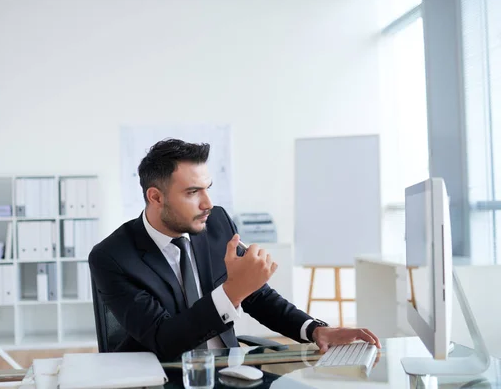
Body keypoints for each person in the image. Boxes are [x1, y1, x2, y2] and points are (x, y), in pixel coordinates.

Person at [89, 139, 381, 361]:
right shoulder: (112, 257)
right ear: (156, 197)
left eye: (208, 188)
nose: (208, 204)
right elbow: (163, 338)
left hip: (230, 369)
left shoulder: (215, 223)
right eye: (193, 192)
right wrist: (232, 292)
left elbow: (257, 294)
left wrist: (314, 329)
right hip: (166, 375)